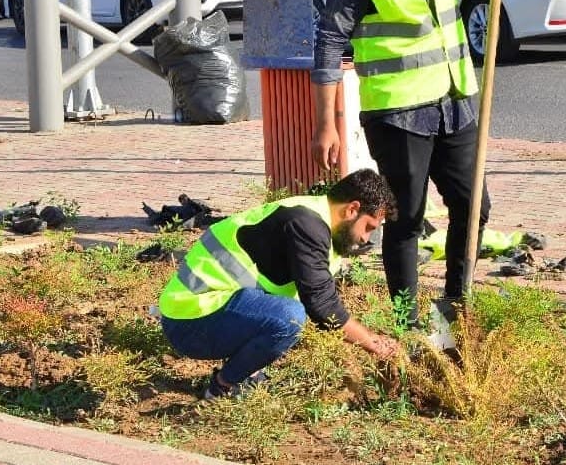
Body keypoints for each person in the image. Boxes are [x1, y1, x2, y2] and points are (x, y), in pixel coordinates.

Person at [310, 0, 519, 324]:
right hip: (397, 112)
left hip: (456, 98)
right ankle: (405, 322)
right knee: (406, 218)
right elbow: (328, 41)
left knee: (473, 207)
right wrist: (325, 122)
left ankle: (454, 310)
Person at [158, 168, 401, 398]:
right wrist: (374, 344)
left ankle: (247, 369)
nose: (365, 238)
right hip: (189, 321)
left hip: (206, 311)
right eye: (368, 227)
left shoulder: (316, 221)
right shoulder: (306, 225)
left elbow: (320, 303)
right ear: (352, 209)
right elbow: (322, 306)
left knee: (295, 319)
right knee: (289, 317)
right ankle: (224, 386)